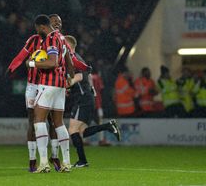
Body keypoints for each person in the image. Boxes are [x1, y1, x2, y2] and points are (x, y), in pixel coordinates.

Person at [25, 14, 74, 173]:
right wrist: (68, 77)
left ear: (42, 27)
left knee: (38, 121)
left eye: (38, 29)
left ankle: (44, 163)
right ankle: (66, 163)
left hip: (48, 84)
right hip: (60, 86)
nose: (38, 32)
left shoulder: (51, 38)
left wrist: (32, 63)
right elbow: (70, 65)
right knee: (59, 123)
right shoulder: (62, 38)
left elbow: (52, 62)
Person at [7, 33, 61, 172]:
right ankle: (32, 160)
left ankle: (54, 156)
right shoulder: (33, 40)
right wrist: (13, 66)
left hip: (49, 85)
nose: (56, 26)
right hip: (33, 86)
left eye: (58, 23)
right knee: (32, 120)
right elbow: (21, 55)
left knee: (53, 121)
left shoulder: (57, 41)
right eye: (54, 22)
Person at [65, 35, 121, 168]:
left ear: (69, 46)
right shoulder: (74, 58)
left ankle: (82, 161)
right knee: (82, 132)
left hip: (83, 98)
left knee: (73, 130)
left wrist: (68, 83)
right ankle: (107, 126)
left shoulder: (74, 59)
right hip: (86, 97)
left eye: (63, 44)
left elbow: (80, 75)